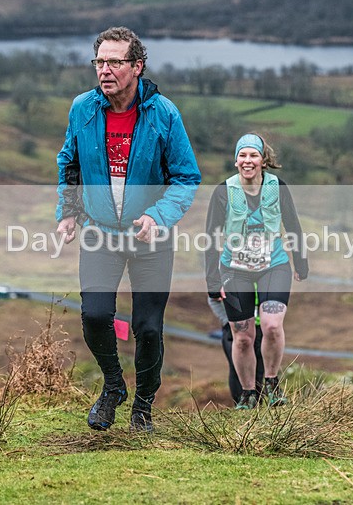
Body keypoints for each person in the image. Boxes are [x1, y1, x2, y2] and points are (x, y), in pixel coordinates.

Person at [56, 27, 201, 432]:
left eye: (115, 62)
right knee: (95, 314)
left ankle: (143, 406)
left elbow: (186, 177)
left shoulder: (164, 114)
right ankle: (114, 387)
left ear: (137, 66)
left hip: (151, 237)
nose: (105, 70)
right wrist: (68, 210)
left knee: (148, 327)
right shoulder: (82, 108)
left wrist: (158, 215)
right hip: (100, 231)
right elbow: (69, 162)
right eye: (100, 62)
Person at [205, 133, 308, 409]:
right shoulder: (223, 191)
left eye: (253, 155)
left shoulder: (278, 187)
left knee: (272, 327)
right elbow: (212, 236)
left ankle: (272, 384)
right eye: (242, 155)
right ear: (236, 160)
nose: (247, 160)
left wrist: (300, 261)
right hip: (234, 268)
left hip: (273, 264)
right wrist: (212, 281)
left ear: (263, 160)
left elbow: (293, 225)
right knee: (242, 337)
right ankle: (248, 393)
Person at [207, 294, 264, 404]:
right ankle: (240, 402)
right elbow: (213, 300)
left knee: (259, 368)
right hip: (234, 332)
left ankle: (257, 403)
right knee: (237, 368)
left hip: (259, 330)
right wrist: (228, 323)